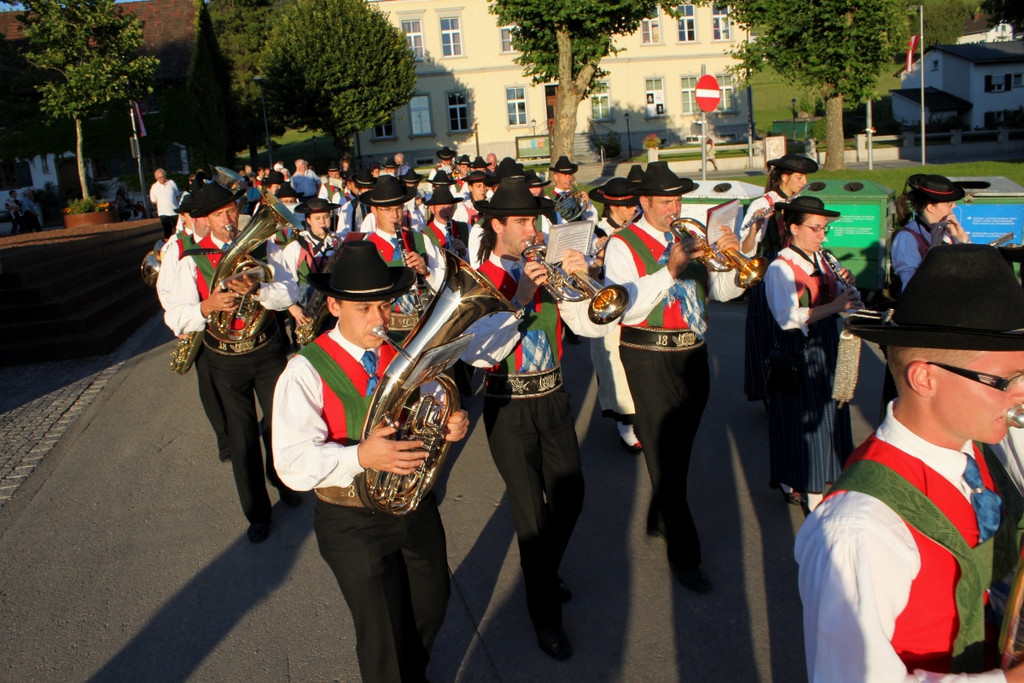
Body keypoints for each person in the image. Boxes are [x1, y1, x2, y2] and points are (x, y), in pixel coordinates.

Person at [796, 244, 1024, 681]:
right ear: (925, 377)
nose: (1021, 394)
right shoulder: (861, 529)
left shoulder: (976, 449)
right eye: (1007, 380)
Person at [272, 241, 468, 682]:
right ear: (335, 305)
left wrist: (451, 422)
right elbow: (291, 463)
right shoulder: (304, 370)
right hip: (351, 519)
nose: (379, 320)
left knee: (432, 604)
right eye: (365, 310)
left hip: (413, 505)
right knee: (382, 638)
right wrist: (360, 455)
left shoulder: (403, 350)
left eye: (383, 306)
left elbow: (436, 397)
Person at [472, 176, 608, 661]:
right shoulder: (481, 279)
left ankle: (542, 571)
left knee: (571, 495)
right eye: (523, 222)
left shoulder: (545, 268)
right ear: (498, 226)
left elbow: (589, 323)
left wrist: (587, 276)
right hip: (508, 405)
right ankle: (545, 618)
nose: (533, 229)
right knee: (530, 516)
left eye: (535, 220)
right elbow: (480, 353)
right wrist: (523, 295)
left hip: (553, 396)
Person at [602, 161, 749, 592]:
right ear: (644, 201)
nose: (674, 207)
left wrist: (730, 255)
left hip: (693, 355)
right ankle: (685, 556)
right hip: (648, 356)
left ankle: (660, 512)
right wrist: (669, 269)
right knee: (665, 452)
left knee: (678, 450)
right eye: (666, 201)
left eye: (679, 199)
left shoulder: (690, 237)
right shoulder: (621, 244)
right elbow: (625, 308)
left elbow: (722, 294)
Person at [161, 179, 302, 543]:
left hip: (267, 349)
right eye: (220, 214)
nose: (229, 218)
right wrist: (206, 307)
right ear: (205, 220)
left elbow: (290, 291)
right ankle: (257, 511)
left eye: (232, 210)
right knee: (241, 437)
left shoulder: (260, 244)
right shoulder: (189, 256)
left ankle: (284, 479)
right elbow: (174, 314)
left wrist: (259, 289)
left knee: (279, 425)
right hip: (224, 360)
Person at [764, 196, 859, 510]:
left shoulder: (821, 258)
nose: (823, 235)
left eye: (824, 229)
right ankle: (812, 494)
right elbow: (786, 316)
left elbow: (832, 300)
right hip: (800, 351)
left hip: (828, 343)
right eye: (816, 229)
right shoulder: (780, 267)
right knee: (807, 424)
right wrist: (834, 305)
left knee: (832, 417)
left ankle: (821, 481)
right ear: (794, 228)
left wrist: (845, 289)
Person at [738, 153, 819, 405]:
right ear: (784, 177)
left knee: (798, 329)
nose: (803, 181)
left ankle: (795, 384)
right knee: (769, 333)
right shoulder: (763, 203)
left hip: (798, 268)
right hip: (772, 267)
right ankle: (770, 391)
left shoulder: (801, 202)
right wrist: (755, 226)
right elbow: (747, 249)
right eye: (799, 176)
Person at [588, 177, 642, 454]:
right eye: (628, 206)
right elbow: (584, 275)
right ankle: (625, 424)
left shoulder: (637, 228)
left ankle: (638, 416)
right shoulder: (595, 231)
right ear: (612, 207)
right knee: (614, 368)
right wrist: (597, 258)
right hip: (607, 309)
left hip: (634, 305)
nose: (634, 210)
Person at [358, 175, 446, 339]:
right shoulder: (365, 247)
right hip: (386, 333)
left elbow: (444, 282)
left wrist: (426, 271)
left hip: (424, 326)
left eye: (399, 208)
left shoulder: (420, 239)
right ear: (374, 210)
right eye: (388, 210)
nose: (395, 215)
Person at [890, 174, 970, 299]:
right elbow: (912, 288)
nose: (954, 206)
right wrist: (933, 248)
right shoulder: (907, 238)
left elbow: (971, 268)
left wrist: (963, 239)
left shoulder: (949, 231)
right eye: (949, 203)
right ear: (931, 207)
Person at [285, 197, 341, 342]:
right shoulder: (295, 248)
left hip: (334, 307)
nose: (323, 222)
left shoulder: (338, 243)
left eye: (326, 217)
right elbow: (283, 282)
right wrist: (293, 308)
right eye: (317, 218)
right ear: (308, 220)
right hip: (306, 308)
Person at [544, 156, 597, 225]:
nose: (569, 178)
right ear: (556, 177)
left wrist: (587, 205)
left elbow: (593, 222)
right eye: (565, 175)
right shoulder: (548, 199)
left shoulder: (578, 197)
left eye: (570, 174)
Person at [149, 168, 181, 239]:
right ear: (156, 178)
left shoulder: (171, 183)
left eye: (163, 176)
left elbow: (177, 195)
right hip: (163, 212)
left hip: (174, 211)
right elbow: (153, 200)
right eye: (160, 177)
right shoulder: (154, 187)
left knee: (178, 229)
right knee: (167, 231)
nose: (162, 179)